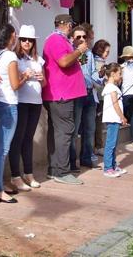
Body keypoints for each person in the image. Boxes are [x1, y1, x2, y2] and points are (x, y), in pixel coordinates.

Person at [42, 14, 87, 185]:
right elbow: (63, 61)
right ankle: (61, 171)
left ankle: (54, 169)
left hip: (61, 93)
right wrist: (79, 51)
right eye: (70, 25)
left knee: (57, 131)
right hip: (61, 94)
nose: (71, 28)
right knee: (65, 131)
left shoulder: (60, 40)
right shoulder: (56, 40)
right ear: (66, 25)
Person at [0, 24, 30, 203]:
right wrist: (25, 77)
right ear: (11, 37)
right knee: (2, 149)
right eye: (16, 36)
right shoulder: (10, 56)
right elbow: (15, 85)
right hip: (8, 104)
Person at [9, 25, 46, 192]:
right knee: (18, 138)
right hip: (21, 101)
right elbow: (14, 81)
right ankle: (15, 175)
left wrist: (40, 78)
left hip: (36, 102)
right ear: (19, 40)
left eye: (30, 40)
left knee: (28, 138)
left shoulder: (38, 60)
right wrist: (26, 76)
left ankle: (29, 173)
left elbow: (45, 83)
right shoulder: (15, 59)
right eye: (23, 39)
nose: (26, 43)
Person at [70, 24, 98, 170]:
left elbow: (92, 72)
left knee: (90, 128)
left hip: (89, 93)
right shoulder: (71, 52)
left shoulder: (89, 54)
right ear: (72, 39)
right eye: (78, 37)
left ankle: (86, 158)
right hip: (76, 94)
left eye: (84, 37)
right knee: (74, 130)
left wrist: (100, 78)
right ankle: (72, 161)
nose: (81, 39)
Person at [101, 63, 128, 178]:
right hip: (113, 118)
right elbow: (115, 103)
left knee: (114, 143)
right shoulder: (111, 88)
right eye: (119, 74)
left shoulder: (112, 86)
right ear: (112, 74)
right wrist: (122, 116)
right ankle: (108, 168)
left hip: (114, 119)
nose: (121, 76)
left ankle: (113, 165)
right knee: (110, 144)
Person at [91, 39, 111, 154]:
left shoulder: (100, 62)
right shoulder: (99, 63)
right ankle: (98, 146)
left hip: (99, 96)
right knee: (98, 121)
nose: (108, 54)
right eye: (106, 51)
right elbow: (98, 80)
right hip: (98, 96)